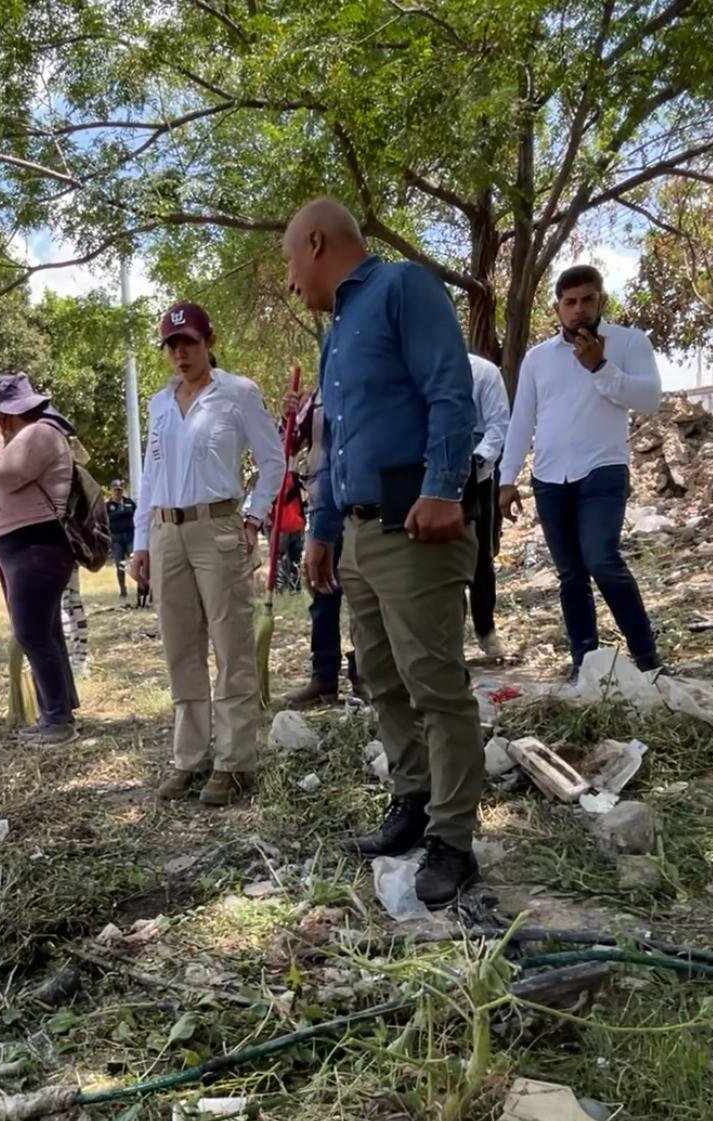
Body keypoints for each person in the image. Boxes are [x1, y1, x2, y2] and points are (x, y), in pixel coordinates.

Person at [285, 198, 480, 907]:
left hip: (416, 524)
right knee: (380, 677)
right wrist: (322, 528)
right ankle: (413, 803)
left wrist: (443, 486)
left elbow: (450, 392)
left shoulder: (403, 287)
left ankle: (454, 839)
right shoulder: (334, 332)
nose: (288, 281)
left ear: (314, 242)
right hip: (361, 536)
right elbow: (333, 443)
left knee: (434, 680)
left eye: (288, 263)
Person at [129, 301, 284, 807]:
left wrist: (254, 515)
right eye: (172, 346)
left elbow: (273, 459)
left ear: (208, 341)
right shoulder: (158, 404)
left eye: (189, 343)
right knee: (181, 648)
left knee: (230, 643)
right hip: (166, 529)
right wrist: (141, 542)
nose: (180, 354)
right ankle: (189, 758)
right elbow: (149, 479)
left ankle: (236, 761)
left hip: (217, 526)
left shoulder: (237, 394)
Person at [499, 265, 663, 679]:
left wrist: (600, 366)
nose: (578, 310)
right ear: (557, 309)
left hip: (603, 470)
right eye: (569, 303)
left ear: (600, 301)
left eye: (587, 300)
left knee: (602, 559)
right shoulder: (538, 359)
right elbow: (523, 419)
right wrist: (507, 479)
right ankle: (584, 663)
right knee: (571, 574)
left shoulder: (628, 342)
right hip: (551, 479)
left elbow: (649, 399)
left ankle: (647, 659)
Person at [0, 371, 80, 745]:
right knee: (44, 632)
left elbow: (0, 474)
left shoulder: (38, 433)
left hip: (36, 547)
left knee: (32, 633)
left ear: (5, 415)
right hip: (30, 547)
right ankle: (58, 711)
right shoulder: (34, 435)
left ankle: (56, 720)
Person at [282, 387, 364, 708]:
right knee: (322, 593)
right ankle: (324, 677)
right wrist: (290, 415)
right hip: (321, 502)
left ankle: (365, 672)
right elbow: (289, 444)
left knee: (363, 592)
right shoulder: (316, 396)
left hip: (363, 500)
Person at [468, 355, 511, 659]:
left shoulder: (483, 372)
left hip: (477, 477)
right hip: (428, 477)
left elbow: (498, 426)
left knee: (480, 557)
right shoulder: (418, 371)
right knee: (438, 562)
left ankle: (486, 631)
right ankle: (447, 640)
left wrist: (475, 461)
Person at [107, 480, 137, 598]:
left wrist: (123, 513)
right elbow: (109, 518)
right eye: (116, 490)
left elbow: (135, 513)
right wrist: (123, 513)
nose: (118, 493)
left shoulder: (129, 502)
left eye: (120, 490)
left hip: (130, 536)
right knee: (120, 565)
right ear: (112, 491)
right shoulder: (108, 506)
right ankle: (122, 589)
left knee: (135, 562)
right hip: (116, 538)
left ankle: (142, 587)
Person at [60, 566, 90, 675]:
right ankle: (79, 659)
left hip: (52, 555)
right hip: (69, 556)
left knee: (63, 604)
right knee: (74, 602)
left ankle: (69, 658)